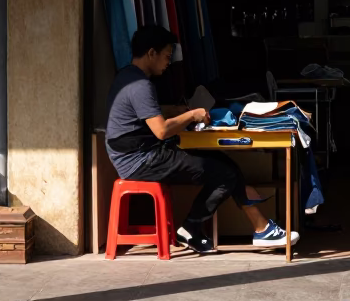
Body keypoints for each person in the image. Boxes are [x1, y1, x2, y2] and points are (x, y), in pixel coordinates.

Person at [105, 25, 298, 253]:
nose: (169, 62)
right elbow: (161, 131)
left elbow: (146, 116)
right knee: (225, 173)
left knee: (223, 164)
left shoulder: (127, 76)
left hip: (135, 154)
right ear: (151, 53)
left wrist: (174, 110)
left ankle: (259, 227)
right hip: (140, 160)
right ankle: (194, 227)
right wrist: (191, 115)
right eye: (167, 56)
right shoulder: (141, 85)